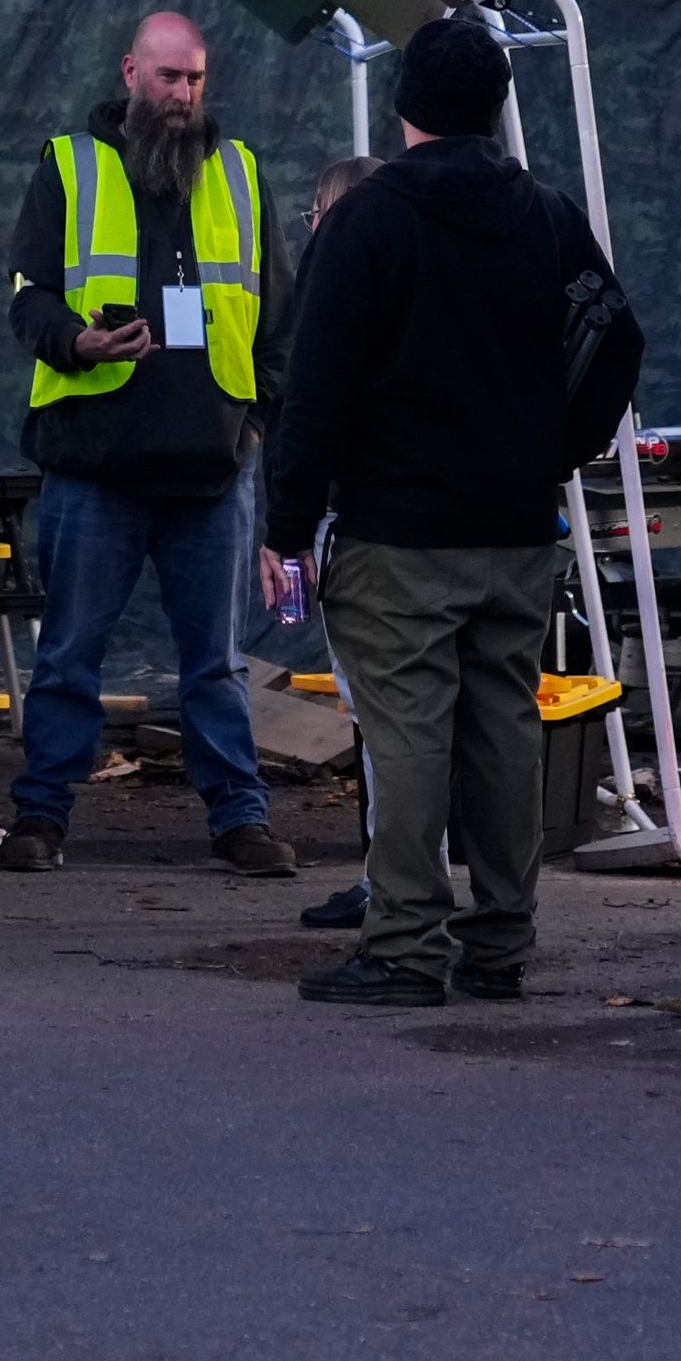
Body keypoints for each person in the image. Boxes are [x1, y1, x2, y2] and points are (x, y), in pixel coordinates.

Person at [267, 18, 643, 1006]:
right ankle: (500, 940)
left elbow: (314, 388)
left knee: (408, 737)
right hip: (518, 526)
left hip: (398, 534)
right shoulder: (547, 215)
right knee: (504, 731)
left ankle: (402, 945)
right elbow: (615, 335)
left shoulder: (367, 223)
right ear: (499, 102)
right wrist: (556, 446)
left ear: (404, 109)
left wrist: (286, 526)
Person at [0, 10, 297, 878]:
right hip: (97, 462)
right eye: (168, 78)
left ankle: (241, 820)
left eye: (196, 79)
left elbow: (278, 318)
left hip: (213, 468)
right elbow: (29, 296)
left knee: (216, 665)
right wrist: (78, 342)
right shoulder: (70, 164)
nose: (182, 96)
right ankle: (40, 818)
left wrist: (250, 427)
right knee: (68, 656)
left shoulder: (238, 172)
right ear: (131, 73)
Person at [293, 153, 381, 939]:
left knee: (387, 720)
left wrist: (288, 532)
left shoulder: (339, 297)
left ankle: (394, 891)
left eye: (315, 216)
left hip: (374, 533)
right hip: (478, 530)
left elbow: (310, 417)